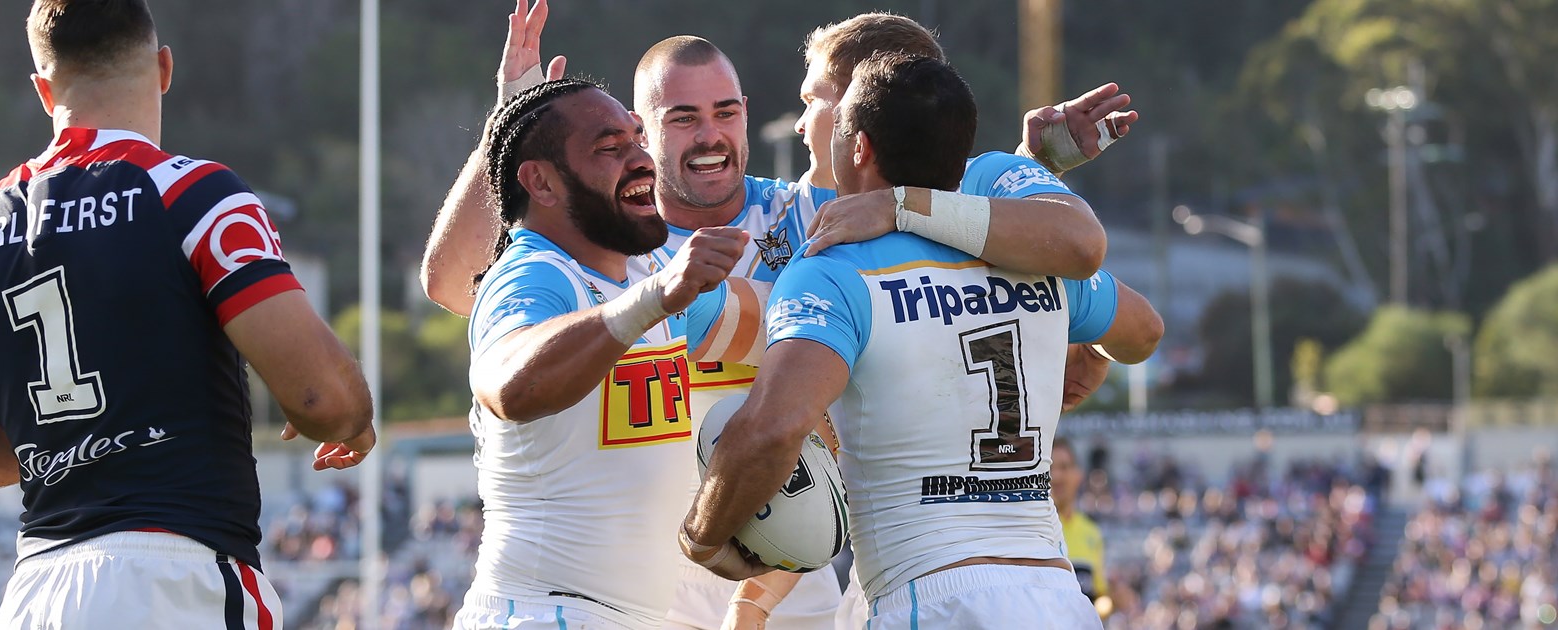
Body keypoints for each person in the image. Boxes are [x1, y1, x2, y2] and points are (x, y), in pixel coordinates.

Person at [422, 5, 1134, 627]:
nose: (713, 134)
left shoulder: (820, 225)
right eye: (682, 117)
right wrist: (506, 130)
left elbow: (934, 225)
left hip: (776, 568)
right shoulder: (615, 250)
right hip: (639, 586)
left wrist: (1023, 174)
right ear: (646, 130)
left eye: (727, 111)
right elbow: (461, 285)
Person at [0, 1, 374, 628]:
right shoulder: (192, 193)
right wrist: (351, 417)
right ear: (164, 68)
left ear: (45, 91)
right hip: (175, 574)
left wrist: (80, 446)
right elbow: (325, 401)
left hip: (37, 593)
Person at [680, 53, 1164, 630]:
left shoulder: (833, 270)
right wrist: (1063, 335)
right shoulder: (1035, 260)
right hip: (1054, 595)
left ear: (858, 147)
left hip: (928, 595)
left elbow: (772, 429)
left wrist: (703, 536)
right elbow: (1143, 333)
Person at [453, 78, 749, 629]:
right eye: (611, 149)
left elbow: (790, 328)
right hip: (546, 613)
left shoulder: (647, 273)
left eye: (638, 140)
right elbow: (509, 385)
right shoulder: (535, 273)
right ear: (541, 182)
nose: (642, 160)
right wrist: (653, 300)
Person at [1053, 440, 1113, 617]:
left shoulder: (1092, 533)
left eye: (1064, 467)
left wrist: (1110, 601)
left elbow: (1099, 594)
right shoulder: (1028, 529)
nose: (1056, 476)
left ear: (1078, 475)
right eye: (1049, 467)